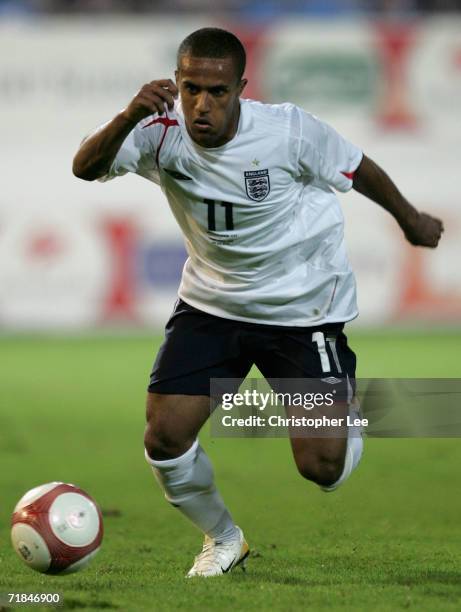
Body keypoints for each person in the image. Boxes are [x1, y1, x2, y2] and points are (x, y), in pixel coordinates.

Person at [72, 27, 443, 577]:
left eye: (218, 92)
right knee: (165, 435)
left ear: (241, 88)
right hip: (212, 305)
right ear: (176, 82)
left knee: (322, 468)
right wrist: (129, 115)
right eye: (191, 88)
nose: (202, 104)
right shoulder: (156, 130)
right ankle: (222, 540)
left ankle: (344, 413)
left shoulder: (288, 132)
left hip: (302, 311)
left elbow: (357, 165)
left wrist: (410, 219)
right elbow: (85, 166)